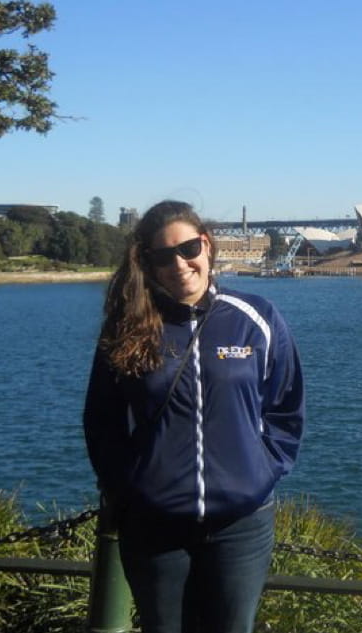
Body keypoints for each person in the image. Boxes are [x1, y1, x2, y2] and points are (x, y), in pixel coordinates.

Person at [83, 200, 304, 633]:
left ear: (206, 245)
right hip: (154, 525)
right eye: (162, 256)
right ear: (146, 263)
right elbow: (101, 421)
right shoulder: (129, 326)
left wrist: (262, 472)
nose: (179, 264)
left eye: (187, 249)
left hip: (241, 524)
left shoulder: (256, 319)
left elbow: (286, 406)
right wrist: (129, 487)